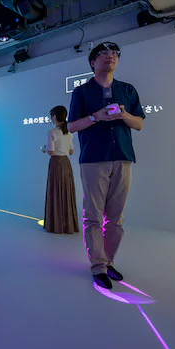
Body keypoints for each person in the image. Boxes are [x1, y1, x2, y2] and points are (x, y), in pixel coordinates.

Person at [67, 42, 145, 289]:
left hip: (122, 156)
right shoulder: (81, 92)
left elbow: (139, 123)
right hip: (93, 158)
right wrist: (95, 117)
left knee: (116, 218)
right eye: (103, 53)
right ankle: (98, 266)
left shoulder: (127, 90)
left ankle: (109, 262)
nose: (110, 56)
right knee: (93, 216)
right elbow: (71, 126)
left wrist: (124, 115)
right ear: (93, 62)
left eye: (114, 54)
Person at [42, 105, 79, 234]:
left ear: (54, 117)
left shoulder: (52, 132)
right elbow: (71, 151)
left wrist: (44, 149)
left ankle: (55, 224)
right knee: (66, 191)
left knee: (56, 191)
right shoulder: (69, 133)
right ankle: (68, 224)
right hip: (66, 163)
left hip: (56, 163)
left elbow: (51, 152)